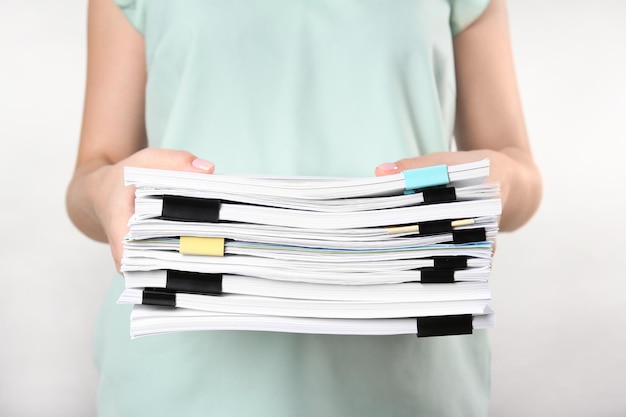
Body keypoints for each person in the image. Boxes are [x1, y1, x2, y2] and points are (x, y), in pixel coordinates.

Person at [66, 0, 542, 415]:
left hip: (409, 372)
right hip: (180, 366)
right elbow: (92, 173)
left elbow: (519, 172)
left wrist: (484, 184)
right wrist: (110, 188)